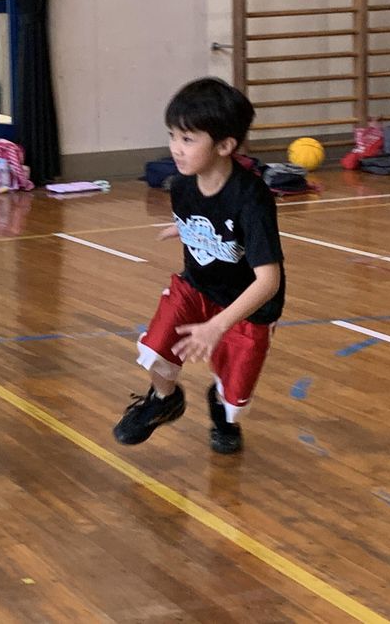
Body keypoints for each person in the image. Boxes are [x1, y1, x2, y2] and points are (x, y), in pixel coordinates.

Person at [113, 77, 285, 454]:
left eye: (188, 140)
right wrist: (186, 227)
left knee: (236, 395)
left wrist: (218, 326)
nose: (175, 148)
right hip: (197, 287)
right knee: (156, 348)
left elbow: (268, 280)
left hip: (247, 307)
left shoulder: (253, 199)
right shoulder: (182, 185)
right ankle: (164, 400)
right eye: (172, 135)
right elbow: (211, 215)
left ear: (225, 145)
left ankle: (222, 411)